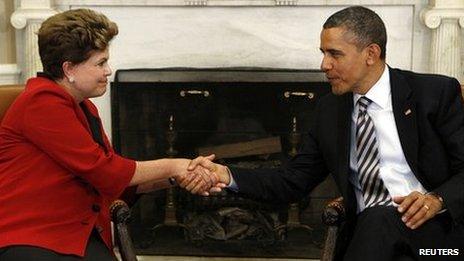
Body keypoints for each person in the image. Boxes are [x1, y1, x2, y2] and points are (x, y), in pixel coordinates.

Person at [183, 6, 464, 260]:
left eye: (335, 54)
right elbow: (292, 181)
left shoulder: (433, 94)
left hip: (439, 241)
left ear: (371, 54)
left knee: (379, 221)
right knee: (377, 221)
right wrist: (227, 175)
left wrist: (435, 200)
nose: (324, 65)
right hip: (373, 236)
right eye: (323, 53)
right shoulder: (330, 110)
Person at [0, 9, 218, 260]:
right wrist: (175, 166)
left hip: (71, 232)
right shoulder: (41, 103)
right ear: (69, 68)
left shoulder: (83, 105)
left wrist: (179, 176)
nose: (108, 71)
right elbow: (105, 171)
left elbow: (115, 182)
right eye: (100, 63)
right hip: (31, 235)